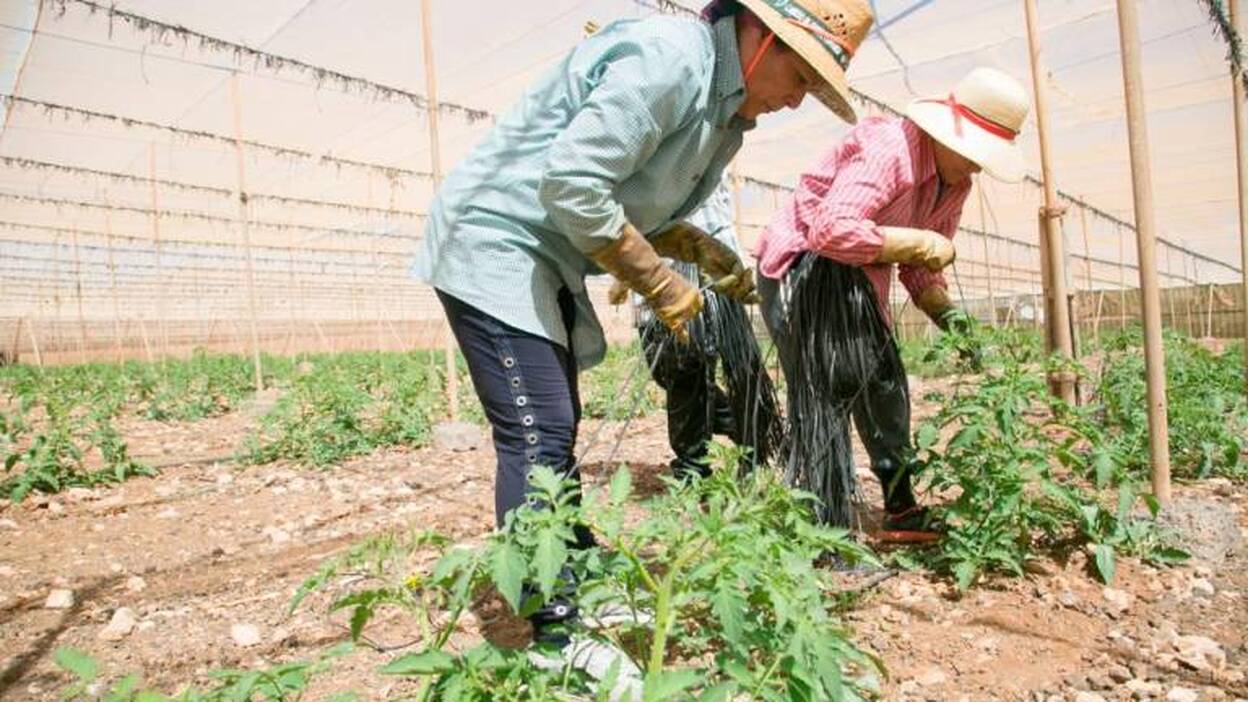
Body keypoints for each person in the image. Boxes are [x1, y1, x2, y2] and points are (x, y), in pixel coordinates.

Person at [411, 0, 874, 685]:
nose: (798, 99)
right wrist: (659, 282)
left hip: (546, 256)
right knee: (538, 435)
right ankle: (553, 631)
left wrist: (694, 246)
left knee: (554, 428)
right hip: (495, 241)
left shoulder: (724, 116)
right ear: (761, 37)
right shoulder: (671, 58)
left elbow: (630, 200)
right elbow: (572, 183)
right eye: (801, 76)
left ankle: (580, 581)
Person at [753, 67, 1030, 540]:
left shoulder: (954, 185)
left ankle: (899, 508)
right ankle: (823, 521)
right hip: (805, 273)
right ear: (946, 135)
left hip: (860, 285)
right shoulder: (891, 150)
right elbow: (830, 230)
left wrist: (949, 317)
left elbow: (923, 265)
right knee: (825, 393)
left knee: (884, 386)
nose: (977, 167)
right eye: (975, 154)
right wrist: (915, 242)